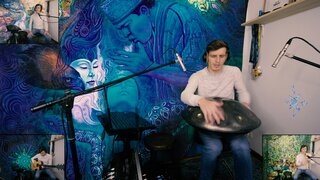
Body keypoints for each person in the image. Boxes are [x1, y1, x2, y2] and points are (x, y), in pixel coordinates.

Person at [181, 40, 253, 180]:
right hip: (209, 122)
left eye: (222, 56)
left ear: (226, 56)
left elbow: (243, 92)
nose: (217, 60)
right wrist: (201, 100)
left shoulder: (234, 71)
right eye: (214, 56)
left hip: (230, 121)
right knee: (214, 148)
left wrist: (245, 104)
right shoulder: (198, 76)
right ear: (207, 56)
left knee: (242, 148)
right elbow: (184, 95)